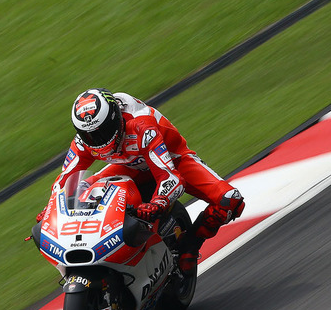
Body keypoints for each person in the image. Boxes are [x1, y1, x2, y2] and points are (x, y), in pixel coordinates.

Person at [36, 88, 244, 276]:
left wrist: (158, 202)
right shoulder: (83, 141)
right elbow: (65, 181)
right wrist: (50, 210)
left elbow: (169, 176)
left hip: (173, 161)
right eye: (89, 135)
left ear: (115, 118)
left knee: (230, 200)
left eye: (102, 132)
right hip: (127, 165)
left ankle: (190, 246)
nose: (97, 140)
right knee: (83, 189)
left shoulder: (141, 126)